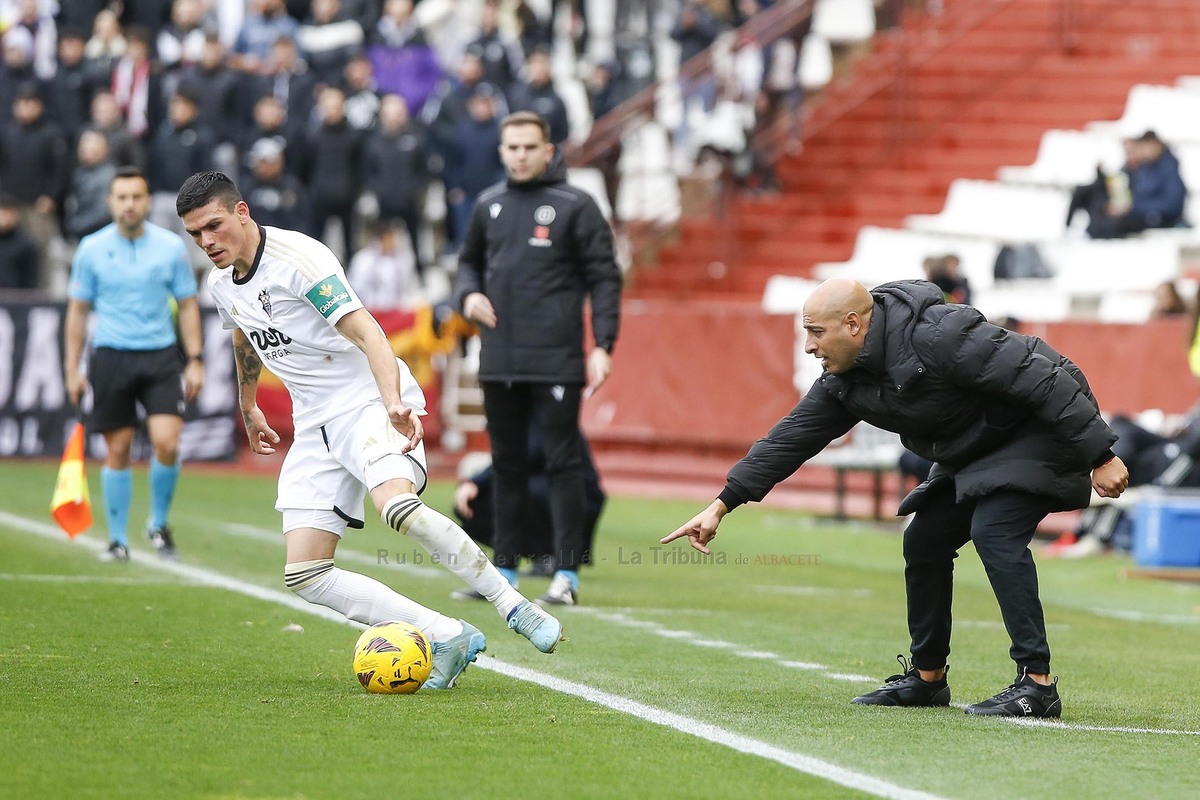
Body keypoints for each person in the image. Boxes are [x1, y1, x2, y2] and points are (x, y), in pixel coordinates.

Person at [663, 278, 1130, 718]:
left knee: (995, 530)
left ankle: (1037, 685)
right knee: (924, 539)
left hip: (1038, 429)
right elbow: (791, 439)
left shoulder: (938, 334)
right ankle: (928, 678)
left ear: (853, 324)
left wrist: (1100, 455)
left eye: (815, 332)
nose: (809, 347)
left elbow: (1042, 378)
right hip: (976, 447)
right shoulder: (845, 380)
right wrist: (721, 504)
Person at [174, 170, 564, 690]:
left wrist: (394, 404)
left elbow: (370, 333)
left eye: (214, 226)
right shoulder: (220, 281)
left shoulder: (299, 259)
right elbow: (244, 335)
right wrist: (249, 406)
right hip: (315, 424)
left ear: (242, 212)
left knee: (397, 507)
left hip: (366, 403)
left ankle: (514, 606)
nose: (206, 242)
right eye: (195, 234)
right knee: (306, 575)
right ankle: (447, 635)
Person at [457, 111, 623, 606]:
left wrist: (604, 345)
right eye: (512, 148)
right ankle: (503, 574)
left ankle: (566, 576)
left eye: (530, 147)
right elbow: (466, 262)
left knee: (562, 465)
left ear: (549, 151)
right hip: (500, 359)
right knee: (505, 465)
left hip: (556, 361)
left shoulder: (576, 205)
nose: (521, 155)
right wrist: (466, 296)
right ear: (502, 151)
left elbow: (605, 278)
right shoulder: (488, 205)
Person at [64, 166, 206, 562]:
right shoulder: (91, 248)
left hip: (160, 355)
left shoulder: (170, 247)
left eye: (137, 197)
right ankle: (117, 540)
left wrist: (194, 359)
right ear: (111, 202)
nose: (130, 205)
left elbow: (189, 304)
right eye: (122, 197)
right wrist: (71, 368)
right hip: (110, 356)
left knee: (167, 441)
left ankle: (158, 523)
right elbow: (77, 312)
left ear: (148, 201)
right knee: (118, 448)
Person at [451, 427, 606, 594]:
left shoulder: (542, 411)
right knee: (488, 499)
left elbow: (524, 455)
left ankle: (558, 562)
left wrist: (477, 481)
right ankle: (526, 561)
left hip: (577, 493)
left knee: (520, 491)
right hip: (545, 485)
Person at [1066, 130, 1187, 239]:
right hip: (1137, 211)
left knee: (1111, 224)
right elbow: (1122, 188)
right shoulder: (1140, 167)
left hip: (1155, 217)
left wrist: (1132, 207)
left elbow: (1171, 204)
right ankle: (1071, 231)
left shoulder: (1167, 169)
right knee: (1090, 196)